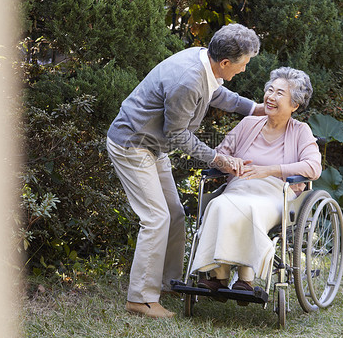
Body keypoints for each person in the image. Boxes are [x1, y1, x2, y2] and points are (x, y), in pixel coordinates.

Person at [106, 24, 264, 318]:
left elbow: (218, 96)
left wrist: (254, 108)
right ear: (226, 62)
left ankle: (166, 284)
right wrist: (219, 159)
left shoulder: (205, 61)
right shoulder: (189, 80)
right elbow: (178, 135)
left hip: (153, 146)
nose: (244, 70)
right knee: (156, 218)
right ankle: (140, 299)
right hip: (133, 145)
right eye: (244, 64)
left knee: (175, 214)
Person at [191, 67, 322, 300]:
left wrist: (269, 170)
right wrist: (229, 163)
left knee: (250, 210)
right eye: (270, 90)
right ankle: (218, 277)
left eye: (280, 93)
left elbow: (313, 167)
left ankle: (245, 279)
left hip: (275, 193)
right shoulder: (248, 124)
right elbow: (220, 154)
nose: (271, 97)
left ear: (295, 105)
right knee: (219, 205)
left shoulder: (301, 131)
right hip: (239, 186)